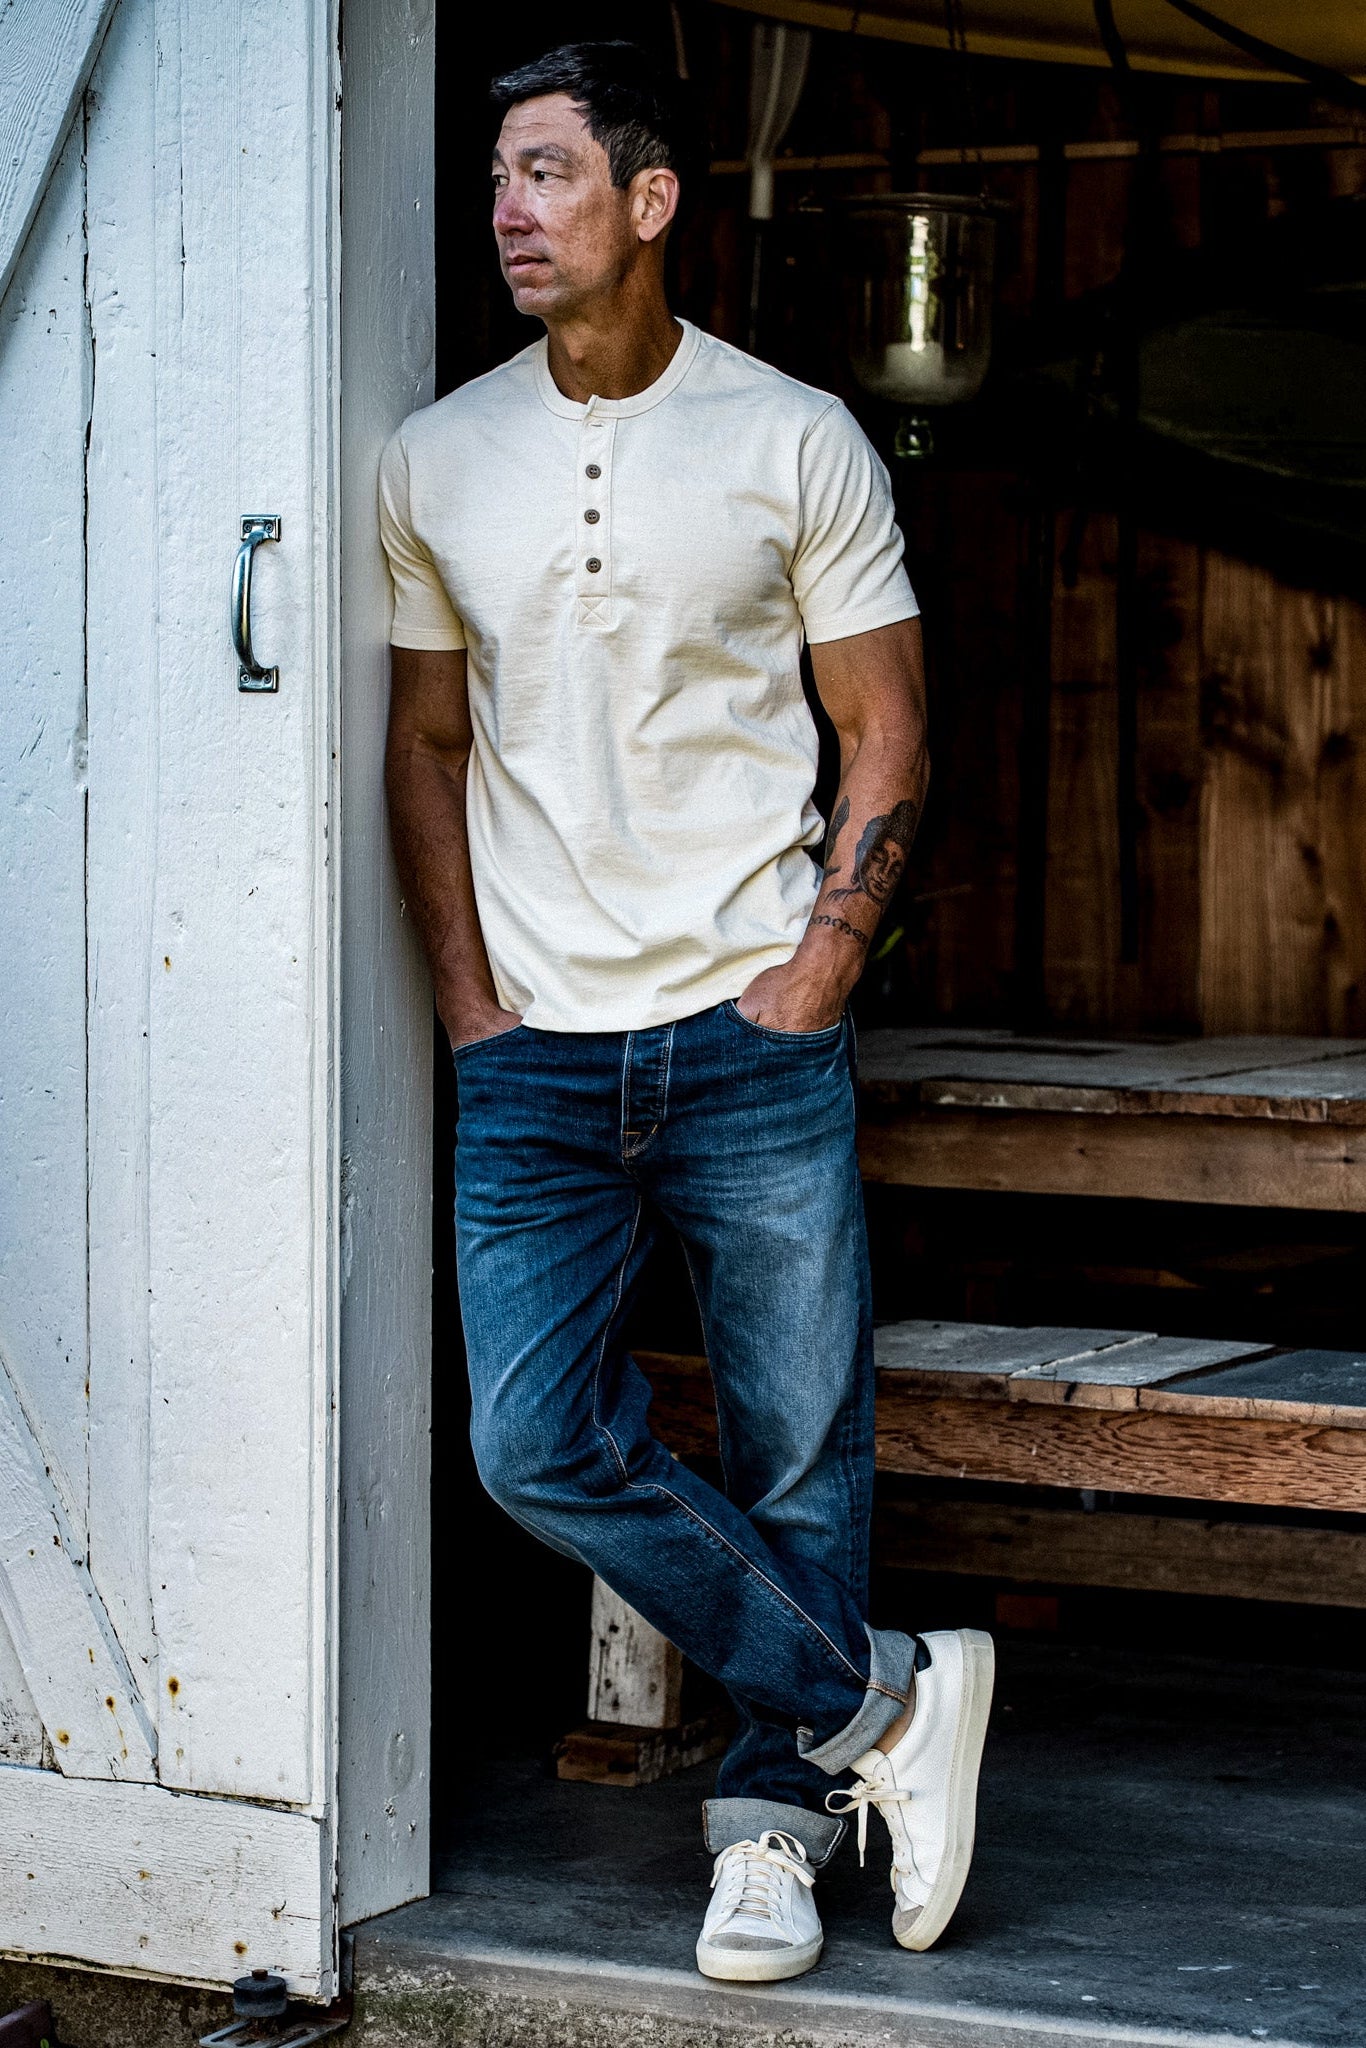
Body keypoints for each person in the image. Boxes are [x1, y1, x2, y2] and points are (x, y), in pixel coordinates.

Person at [379, 38, 993, 1984]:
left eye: (547, 173)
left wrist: (817, 968)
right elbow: (423, 743)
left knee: (799, 1447)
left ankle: (762, 1835)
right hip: (533, 1054)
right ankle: (887, 1699)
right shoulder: (434, 456)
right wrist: (470, 1005)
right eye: (496, 177)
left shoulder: (789, 435)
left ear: (650, 199)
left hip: (748, 1033)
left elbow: (882, 718)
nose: (508, 210)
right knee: (532, 1441)